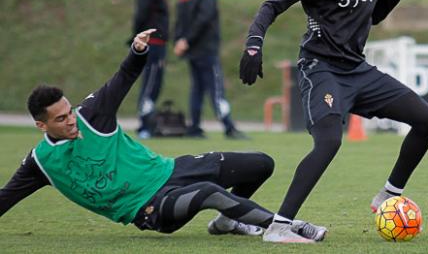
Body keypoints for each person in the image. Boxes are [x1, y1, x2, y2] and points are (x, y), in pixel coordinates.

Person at [239, 0, 428, 243]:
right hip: (320, 69)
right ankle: (280, 227)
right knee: (329, 143)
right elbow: (271, 6)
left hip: (358, 71)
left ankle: (389, 195)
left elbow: (373, 16)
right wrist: (254, 44)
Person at [0, 29, 325, 241]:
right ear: (42, 126)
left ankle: (229, 221)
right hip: (150, 206)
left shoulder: (92, 115)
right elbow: (6, 198)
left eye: (69, 110)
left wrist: (138, 51)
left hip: (174, 170)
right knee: (209, 192)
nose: (71, 120)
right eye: (61, 118)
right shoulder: (40, 163)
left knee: (261, 163)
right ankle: (282, 228)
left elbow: (124, 76)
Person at [173, 0, 249, 140]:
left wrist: (181, 40)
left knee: (197, 89)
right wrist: (188, 40)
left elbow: (180, 20)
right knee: (216, 89)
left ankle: (195, 128)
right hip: (206, 49)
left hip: (193, 51)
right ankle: (229, 126)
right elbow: (203, 19)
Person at [132, 0, 176, 139]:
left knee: (155, 84)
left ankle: (147, 123)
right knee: (149, 84)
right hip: (153, 44)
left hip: (160, 44)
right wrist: (138, 39)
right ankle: (144, 125)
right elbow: (140, 16)